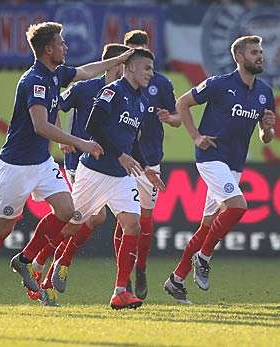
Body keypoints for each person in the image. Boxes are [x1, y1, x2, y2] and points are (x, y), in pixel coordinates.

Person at [0, 21, 134, 313]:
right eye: (61, 43)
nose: (66, 47)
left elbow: (84, 71)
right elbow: (41, 125)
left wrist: (117, 60)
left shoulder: (56, 74)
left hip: (42, 163)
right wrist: (80, 142)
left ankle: (25, 259)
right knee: (2, 227)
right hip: (15, 166)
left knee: (68, 211)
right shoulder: (35, 81)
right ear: (48, 49)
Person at [163, 35, 275, 305]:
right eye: (253, 52)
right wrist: (196, 136)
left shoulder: (265, 92)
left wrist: (268, 128)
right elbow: (182, 103)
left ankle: (176, 280)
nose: (260, 56)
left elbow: (266, 137)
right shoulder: (219, 84)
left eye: (260, 51)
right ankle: (203, 257)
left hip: (235, 163)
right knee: (237, 206)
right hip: (211, 157)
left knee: (209, 224)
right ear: (239, 57)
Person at [51, 48, 165, 310]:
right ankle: (39, 262)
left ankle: (120, 291)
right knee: (71, 224)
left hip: (119, 175)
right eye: (147, 68)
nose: (151, 73)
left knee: (132, 225)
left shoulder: (140, 100)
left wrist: (145, 167)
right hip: (93, 170)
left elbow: (131, 141)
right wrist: (61, 137)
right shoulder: (109, 91)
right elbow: (92, 126)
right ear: (128, 67)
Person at [27, 43, 131, 306]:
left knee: (93, 220)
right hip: (80, 162)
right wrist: (63, 137)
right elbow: (54, 105)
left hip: (109, 167)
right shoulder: (85, 88)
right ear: (114, 65)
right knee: (93, 217)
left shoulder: (126, 94)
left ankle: (54, 263)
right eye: (123, 64)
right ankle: (44, 266)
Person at [111, 29, 181, 300]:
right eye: (131, 50)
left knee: (145, 217)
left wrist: (169, 117)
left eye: (141, 50)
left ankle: (140, 267)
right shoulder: (115, 85)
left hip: (149, 159)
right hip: (121, 159)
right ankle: (124, 276)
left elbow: (177, 118)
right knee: (125, 218)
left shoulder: (159, 83)